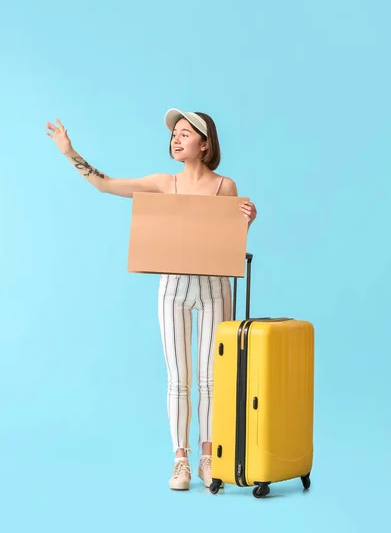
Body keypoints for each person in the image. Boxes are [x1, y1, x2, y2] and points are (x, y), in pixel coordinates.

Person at [46, 108, 257, 491]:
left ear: (205, 144)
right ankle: (181, 461)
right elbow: (106, 185)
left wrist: (248, 217)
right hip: (173, 289)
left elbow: (230, 237)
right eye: (174, 133)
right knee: (179, 378)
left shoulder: (225, 186)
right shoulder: (163, 183)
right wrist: (68, 151)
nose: (176, 138)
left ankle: (209, 456)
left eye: (185, 133)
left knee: (210, 379)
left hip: (214, 289)